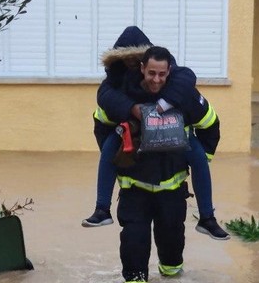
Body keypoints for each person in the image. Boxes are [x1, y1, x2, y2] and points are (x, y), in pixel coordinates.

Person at [82, 26, 229, 240]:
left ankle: (207, 217)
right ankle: (102, 209)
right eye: (128, 61)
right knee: (110, 146)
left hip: (177, 141)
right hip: (132, 142)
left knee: (198, 157)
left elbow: (205, 115)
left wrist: (165, 104)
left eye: (136, 59)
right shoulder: (115, 87)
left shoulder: (178, 81)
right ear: (142, 68)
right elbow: (102, 117)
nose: (156, 79)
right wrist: (131, 117)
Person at [113, 45, 219, 283]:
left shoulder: (183, 95)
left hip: (172, 192)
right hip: (134, 191)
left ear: (169, 71)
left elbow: (211, 124)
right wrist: (119, 156)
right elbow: (101, 123)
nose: (156, 79)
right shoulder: (124, 95)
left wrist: (200, 159)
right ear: (142, 69)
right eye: (151, 73)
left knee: (172, 265)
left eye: (161, 74)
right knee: (134, 255)